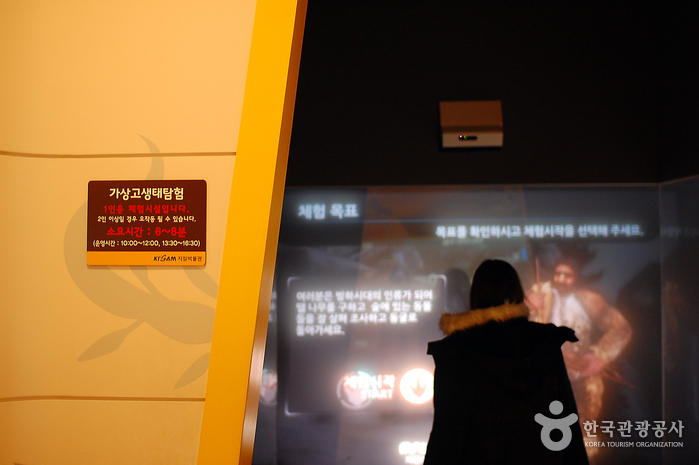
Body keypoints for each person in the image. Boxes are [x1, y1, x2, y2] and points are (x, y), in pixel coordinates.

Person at [424, 259, 588, 465]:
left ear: (475, 295)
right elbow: (566, 420)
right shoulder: (545, 343)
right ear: (518, 293)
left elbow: (447, 434)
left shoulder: (456, 351)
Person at [526, 257, 632, 459]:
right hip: (545, 375)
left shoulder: (590, 301)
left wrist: (599, 356)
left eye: (568, 275)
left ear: (576, 278)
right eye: (558, 274)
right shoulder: (538, 294)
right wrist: (527, 306)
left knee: (583, 432)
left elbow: (621, 328)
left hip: (581, 374)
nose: (561, 279)